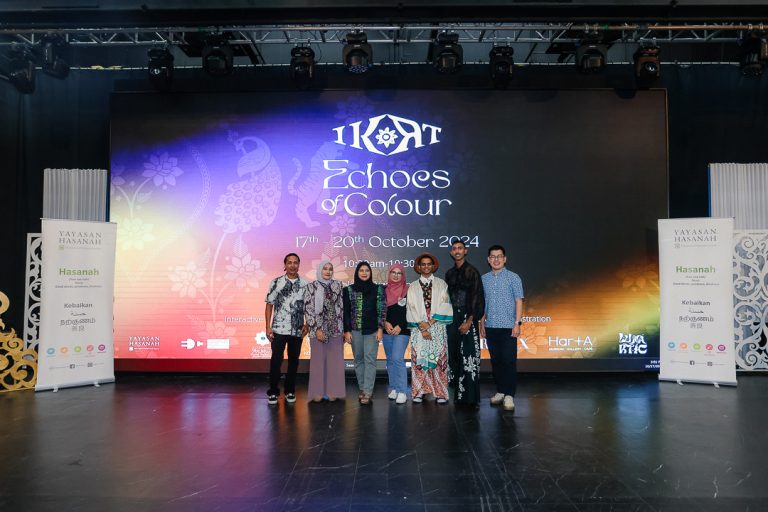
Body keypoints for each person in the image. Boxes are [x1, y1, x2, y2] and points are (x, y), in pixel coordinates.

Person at [480, 245, 524, 412]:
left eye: (499, 256)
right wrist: (482, 324)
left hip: (509, 327)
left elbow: (519, 301)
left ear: (505, 259)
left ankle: (509, 395)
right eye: (493, 256)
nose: (496, 259)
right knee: (496, 361)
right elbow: (482, 304)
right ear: (488, 259)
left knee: (508, 361)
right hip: (491, 327)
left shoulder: (513, 277)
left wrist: (517, 323)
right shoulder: (484, 279)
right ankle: (500, 391)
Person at [406, 253, 453, 404]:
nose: (426, 267)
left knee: (439, 361)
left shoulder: (441, 284)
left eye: (429, 264)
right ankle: (419, 392)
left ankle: (440, 393)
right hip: (419, 330)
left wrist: (430, 323)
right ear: (418, 267)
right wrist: (422, 327)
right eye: (423, 264)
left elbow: (445, 305)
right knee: (419, 361)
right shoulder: (412, 286)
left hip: (437, 327)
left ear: (433, 266)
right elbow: (411, 307)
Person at [265, 253, 309, 405]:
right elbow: (269, 305)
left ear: (299, 265)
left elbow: (308, 307)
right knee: (276, 361)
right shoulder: (276, 282)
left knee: (293, 362)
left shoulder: (305, 284)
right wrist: (267, 327)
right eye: (289, 262)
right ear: (285, 265)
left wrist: (307, 324)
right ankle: (273, 392)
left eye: (295, 262)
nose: (292, 265)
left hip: (297, 330)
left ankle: (290, 390)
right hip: (278, 329)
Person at [445, 238, 485, 406]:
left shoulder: (472, 272)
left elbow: (477, 297)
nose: (457, 251)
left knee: (468, 357)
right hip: (451, 319)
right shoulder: (449, 273)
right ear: (451, 252)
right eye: (454, 248)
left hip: (468, 318)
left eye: (460, 248)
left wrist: (470, 320)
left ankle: (470, 398)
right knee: (453, 355)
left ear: (465, 251)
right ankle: (456, 394)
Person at [343, 261, 386, 405]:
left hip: (372, 330)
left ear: (370, 272)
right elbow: (346, 313)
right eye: (361, 270)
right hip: (355, 331)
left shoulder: (378, 289)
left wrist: (380, 329)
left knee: (370, 360)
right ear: (357, 272)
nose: (364, 273)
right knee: (358, 360)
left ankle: (368, 391)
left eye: (367, 270)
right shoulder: (348, 290)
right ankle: (362, 388)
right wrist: (347, 330)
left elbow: (382, 310)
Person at [304, 260, 346, 402]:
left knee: (334, 362)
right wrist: (316, 329)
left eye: (330, 269)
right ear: (320, 270)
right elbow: (308, 309)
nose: (327, 271)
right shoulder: (311, 287)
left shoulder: (338, 285)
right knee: (318, 362)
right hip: (318, 330)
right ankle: (317, 391)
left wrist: (342, 329)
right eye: (325, 269)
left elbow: (342, 308)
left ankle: (333, 390)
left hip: (335, 328)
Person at [382, 263, 410, 404]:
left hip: (402, 330)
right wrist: (385, 323)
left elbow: (411, 312)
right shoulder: (383, 290)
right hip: (387, 330)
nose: (396, 275)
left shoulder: (408, 290)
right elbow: (380, 310)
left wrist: (401, 325)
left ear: (403, 275)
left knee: (398, 358)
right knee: (390, 360)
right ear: (389, 273)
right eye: (394, 272)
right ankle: (393, 388)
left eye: (399, 273)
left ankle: (403, 391)